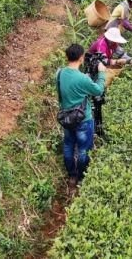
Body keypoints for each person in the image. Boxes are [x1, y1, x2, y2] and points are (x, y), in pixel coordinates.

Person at [57, 44, 106, 185]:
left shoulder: (59, 73)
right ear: (81, 58)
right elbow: (98, 91)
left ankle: (71, 175)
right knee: (83, 149)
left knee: (68, 146)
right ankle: (81, 177)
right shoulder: (83, 79)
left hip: (66, 117)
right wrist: (102, 74)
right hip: (83, 120)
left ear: (67, 57)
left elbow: (60, 96)